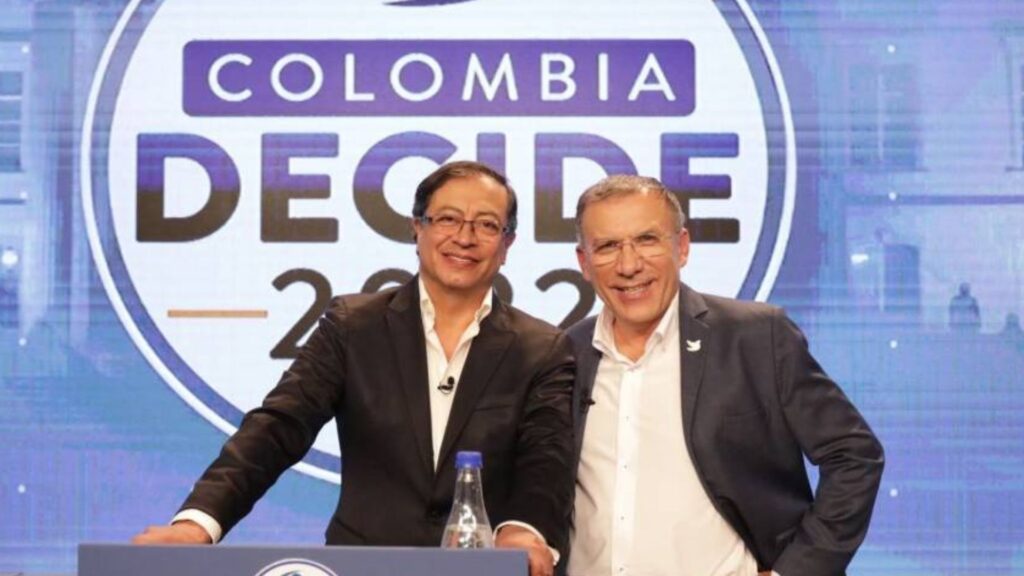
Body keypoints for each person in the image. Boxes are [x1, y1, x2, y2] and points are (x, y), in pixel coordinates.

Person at [133, 161, 575, 576]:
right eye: (447, 219)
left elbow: (546, 460)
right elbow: (277, 428)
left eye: (487, 225)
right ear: (417, 228)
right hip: (362, 566)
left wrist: (524, 530)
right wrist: (198, 523)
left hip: (480, 572)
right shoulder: (353, 326)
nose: (465, 237)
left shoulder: (541, 348)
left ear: (507, 244)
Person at [566, 175, 884, 576]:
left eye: (647, 240)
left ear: (682, 247)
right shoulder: (564, 354)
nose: (629, 265)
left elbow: (854, 455)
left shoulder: (756, 337)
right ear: (584, 262)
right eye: (608, 247)